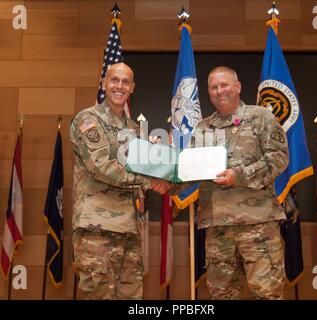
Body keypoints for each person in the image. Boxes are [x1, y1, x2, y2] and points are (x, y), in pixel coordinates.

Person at [69, 62, 169, 300]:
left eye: (125, 82)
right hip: (97, 229)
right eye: (114, 80)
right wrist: (149, 182)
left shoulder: (134, 130)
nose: (119, 86)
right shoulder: (88, 119)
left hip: (129, 229)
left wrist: (171, 173)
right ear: (104, 83)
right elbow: (101, 166)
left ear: (132, 88)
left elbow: (152, 168)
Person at [190, 66, 289, 299]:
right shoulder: (203, 128)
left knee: (268, 295)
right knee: (222, 296)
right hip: (218, 229)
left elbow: (279, 158)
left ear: (238, 87)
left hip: (259, 226)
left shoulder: (261, 117)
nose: (219, 91)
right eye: (213, 87)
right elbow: (191, 170)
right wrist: (165, 181)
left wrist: (239, 175)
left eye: (224, 85)